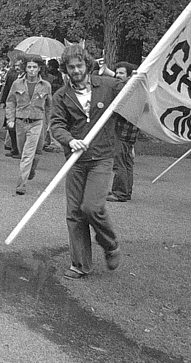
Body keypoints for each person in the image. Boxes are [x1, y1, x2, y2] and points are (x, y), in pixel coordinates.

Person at [51, 44, 122, 279]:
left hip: (101, 156)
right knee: (74, 212)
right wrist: (70, 141)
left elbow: (135, 87)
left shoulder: (108, 87)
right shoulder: (61, 96)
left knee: (91, 207)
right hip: (75, 159)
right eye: (71, 67)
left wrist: (111, 73)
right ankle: (80, 264)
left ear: (88, 65)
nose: (76, 70)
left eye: (80, 65)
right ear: (66, 69)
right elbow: (57, 125)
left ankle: (110, 244)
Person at [6, 54, 52, 195]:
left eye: (35, 67)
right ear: (25, 68)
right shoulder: (17, 84)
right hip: (20, 121)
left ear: (39, 69)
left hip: (37, 122)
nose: (32, 70)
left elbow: (49, 106)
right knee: (23, 152)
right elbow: (10, 101)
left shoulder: (46, 86)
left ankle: (21, 185)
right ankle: (30, 169)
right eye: (29, 67)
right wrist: (10, 119)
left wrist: (48, 123)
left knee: (30, 153)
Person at [107, 62, 139, 202]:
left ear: (128, 75)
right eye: (117, 73)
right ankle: (126, 191)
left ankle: (119, 192)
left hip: (123, 130)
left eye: (121, 73)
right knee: (126, 162)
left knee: (119, 162)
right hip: (129, 131)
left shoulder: (128, 89)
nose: (118, 76)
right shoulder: (136, 88)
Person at [0, 58, 24, 158]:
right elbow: (6, 87)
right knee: (10, 127)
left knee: (19, 129)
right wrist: (2, 101)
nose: (17, 67)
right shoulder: (12, 75)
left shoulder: (27, 78)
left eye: (19, 65)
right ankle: (14, 148)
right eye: (16, 66)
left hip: (21, 106)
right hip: (11, 104)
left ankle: (19, 150)